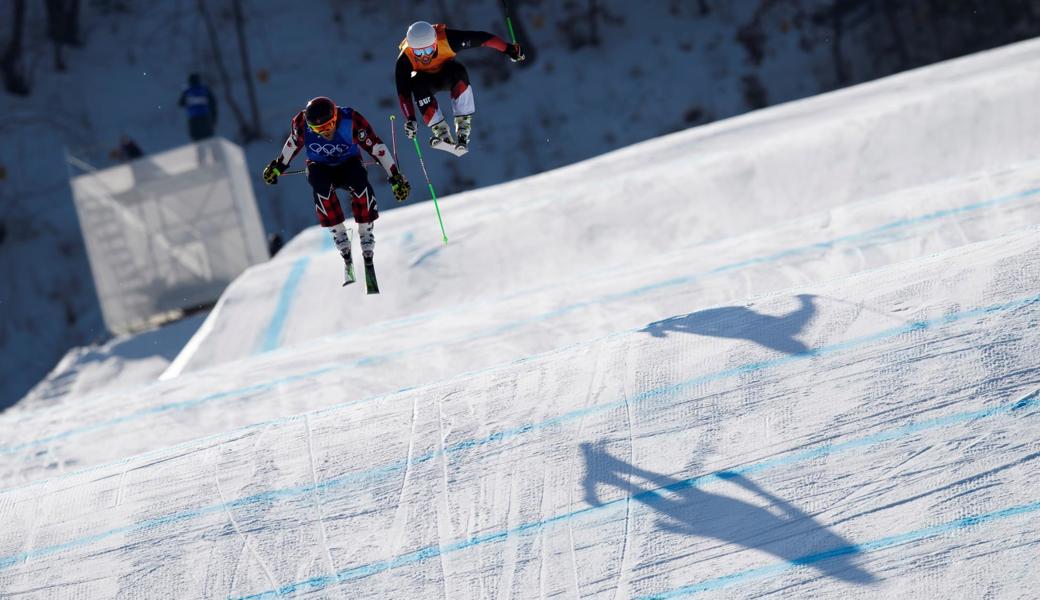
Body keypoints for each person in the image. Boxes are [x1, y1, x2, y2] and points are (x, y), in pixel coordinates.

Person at [262, 96, 410, 288]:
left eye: (328, 126)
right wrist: (278, 166)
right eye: (317, 129)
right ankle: (339, 234)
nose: (324, 132)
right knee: (319, 184)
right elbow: (292, 143)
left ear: (335, 117)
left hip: (348, 164)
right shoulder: (301, 123)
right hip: (320, 167)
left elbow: (377, 147)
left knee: (360, 183)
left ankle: (365, 232)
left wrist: (395, 177)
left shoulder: (351, 120)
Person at [396, 21, 525, 156]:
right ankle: (441, 131)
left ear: (435, 43)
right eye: (418, 52)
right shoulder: (404, 59)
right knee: (416, 83)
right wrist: (410, 118)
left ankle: (463, 126)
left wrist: (509, 49)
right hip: (425, 82)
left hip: (448, 75)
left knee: (459, 71)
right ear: (411, 49)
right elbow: (403, 93)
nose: (424, 56)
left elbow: (482, 39)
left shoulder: (448, 39)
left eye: (429, 50)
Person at [178, 73, 218, 141]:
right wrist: (214, 117)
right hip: (204, 116)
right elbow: (213, 102)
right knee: (208, 136)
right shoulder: (205, 88)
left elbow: (181, 103)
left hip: (193, 117)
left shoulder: (187, 91)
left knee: (196, 138)